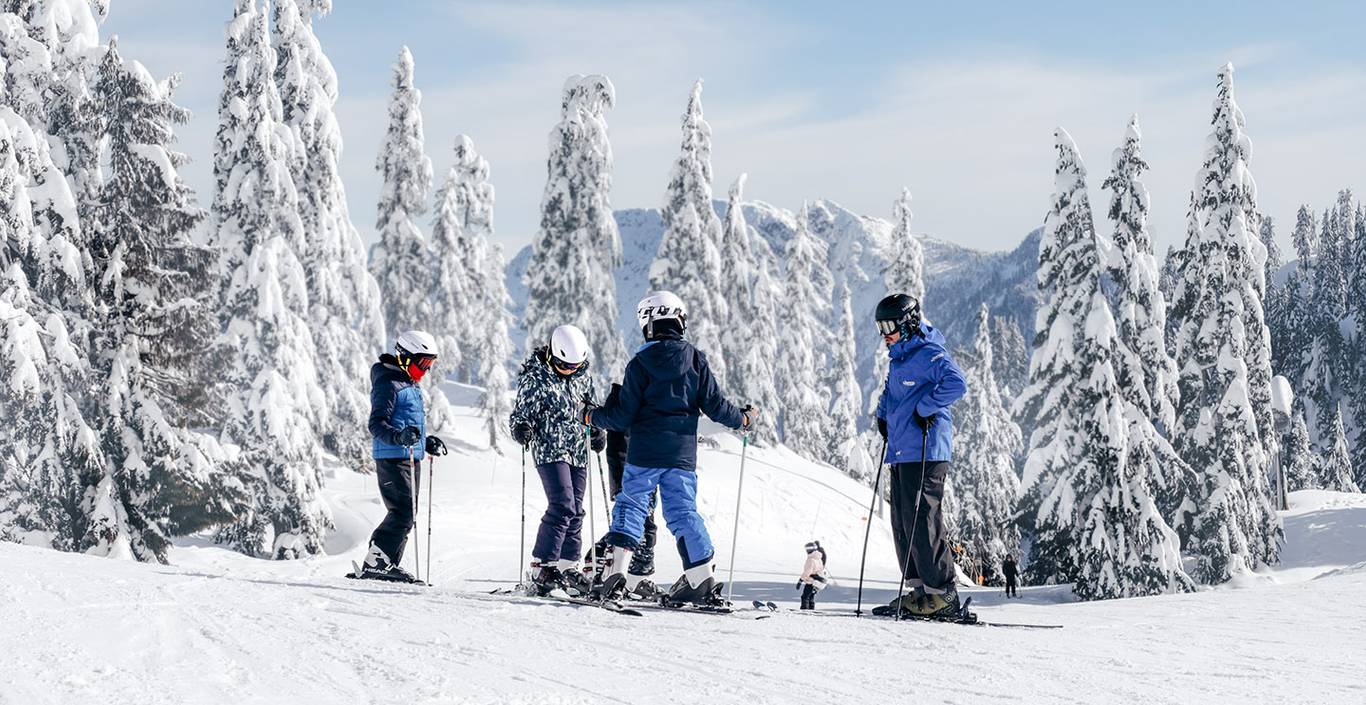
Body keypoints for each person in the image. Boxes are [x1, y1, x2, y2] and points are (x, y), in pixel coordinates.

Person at [587, 291, 755, 606]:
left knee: (632, 505)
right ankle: (700, 577)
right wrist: (743, 419)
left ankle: (613, 575)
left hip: (645, 453)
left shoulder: (639, 363)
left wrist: (591, 415)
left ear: (648, 324)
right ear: (678, 320)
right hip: (681, 455)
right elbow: (717, 407)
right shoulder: (695, 359)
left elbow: (622, 416)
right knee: (682, 512)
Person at [869, 293, 968, 618]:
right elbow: (892, 392)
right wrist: (883, 415)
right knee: (902, 519)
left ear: (908, 323)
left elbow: (957, 383)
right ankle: (920, 590)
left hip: (926, 450)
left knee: (922, 517)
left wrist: (926, 407)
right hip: (902, 450)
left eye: (890, 326)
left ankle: (943, 593)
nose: (885, 333)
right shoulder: (900, 357)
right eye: (880, 327)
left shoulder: (928, 353)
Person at [509, 324, 606, 597]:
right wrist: (521, 427)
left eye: (575, 365)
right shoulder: (536, 378)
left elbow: (592, 410)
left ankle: (567, 566)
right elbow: (521, 413)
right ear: (552, 354)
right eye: (564, 364)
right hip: (550, 450)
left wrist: (598, 431)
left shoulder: (583, 378)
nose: (569, 370)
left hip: (577, 449)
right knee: (562, 506)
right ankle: (543, 565)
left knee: (576, 511)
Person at [356, 330, 448, 583]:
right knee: (403, 511)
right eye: (423, 362)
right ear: (406, 357)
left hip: (409, 455)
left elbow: (408, 423)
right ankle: (377, 561)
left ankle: (385, 564)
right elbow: (377, 424)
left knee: (408, 511)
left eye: (430, 364)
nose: (426, 369)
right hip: (392, 456)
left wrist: (424, 441)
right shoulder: (388, 382)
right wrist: (399, 437)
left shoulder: (409, 383)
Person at [587, 383, 662, 599]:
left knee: (647, 526)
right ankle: (606, 566)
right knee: (640, 525)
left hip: (647, 472)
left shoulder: (650, 403)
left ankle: (636, 577)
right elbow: (618, 447)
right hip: (629, 474)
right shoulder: (625, 401)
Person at [796, 540, 829, 610]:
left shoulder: (811, 559)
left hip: (810, 582)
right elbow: (821, 568)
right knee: (811, 597)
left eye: (806, 549)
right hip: (817, 583)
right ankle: (811, 609)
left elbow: (807, 572)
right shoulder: (819, 558)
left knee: (805, 597)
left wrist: (800, 580)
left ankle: (804, 609)